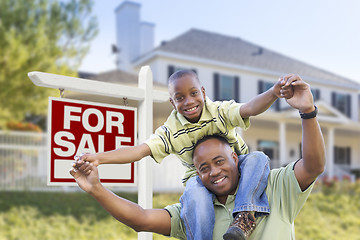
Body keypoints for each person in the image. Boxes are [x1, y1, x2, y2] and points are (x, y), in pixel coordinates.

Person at [71, 74, 325, 239]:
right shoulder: (195, 206)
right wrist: (97, 175)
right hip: (195, 188)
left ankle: (245, 215)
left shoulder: (274, 187)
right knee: (193, 190)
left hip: (249, 169)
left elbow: (312, 166)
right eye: (204, 166)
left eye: (219, 162)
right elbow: (141, 216)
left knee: (258, 157)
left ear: (203, 92)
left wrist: (300, 108)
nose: (213, 171)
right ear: (172, 103)